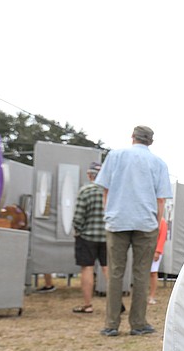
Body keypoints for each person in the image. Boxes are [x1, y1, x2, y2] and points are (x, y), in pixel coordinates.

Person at [95, 125, 172, 336]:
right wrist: (156, 225)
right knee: (141, 274)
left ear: (132, 137)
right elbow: (161, 200)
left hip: (117, 220)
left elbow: (105, 190)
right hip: (146, 223)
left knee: (115, 273)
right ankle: (138, 323)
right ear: (151, 141)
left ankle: (111, 324)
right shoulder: (158, 163)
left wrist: (108, 214)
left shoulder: (115, 156)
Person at [71, 162, 108, 314]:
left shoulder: (85, 191)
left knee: (87, 268)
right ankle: (115, 303)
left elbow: (78, 216)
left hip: (87, 236)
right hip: (107, 236)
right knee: (109, 270)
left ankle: (88, 304)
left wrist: (77, 230)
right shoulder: (109, 191)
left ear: (89, 175)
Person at [148, 216, 168, 305]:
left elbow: (162, 237)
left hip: (155, 251)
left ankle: (152, 296)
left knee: (153, 273)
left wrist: (158, 251)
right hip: (146, 250)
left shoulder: (162, 222)